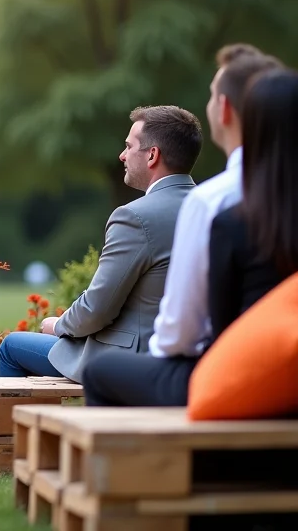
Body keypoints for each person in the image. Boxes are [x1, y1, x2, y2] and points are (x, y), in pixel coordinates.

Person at [83, 64, 295, 407]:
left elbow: (183, 334)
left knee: (100, 370)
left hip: (238, 377)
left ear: (234, 114)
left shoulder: (224, 215)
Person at [0, 106, 201, 382]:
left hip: (134, 362)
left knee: (11, 346)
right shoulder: (214, 208)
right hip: (199, 359)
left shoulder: (135, 217)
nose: (122, 156)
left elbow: (97, 309)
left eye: (129, 146)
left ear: (152, 155)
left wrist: (59, 325)